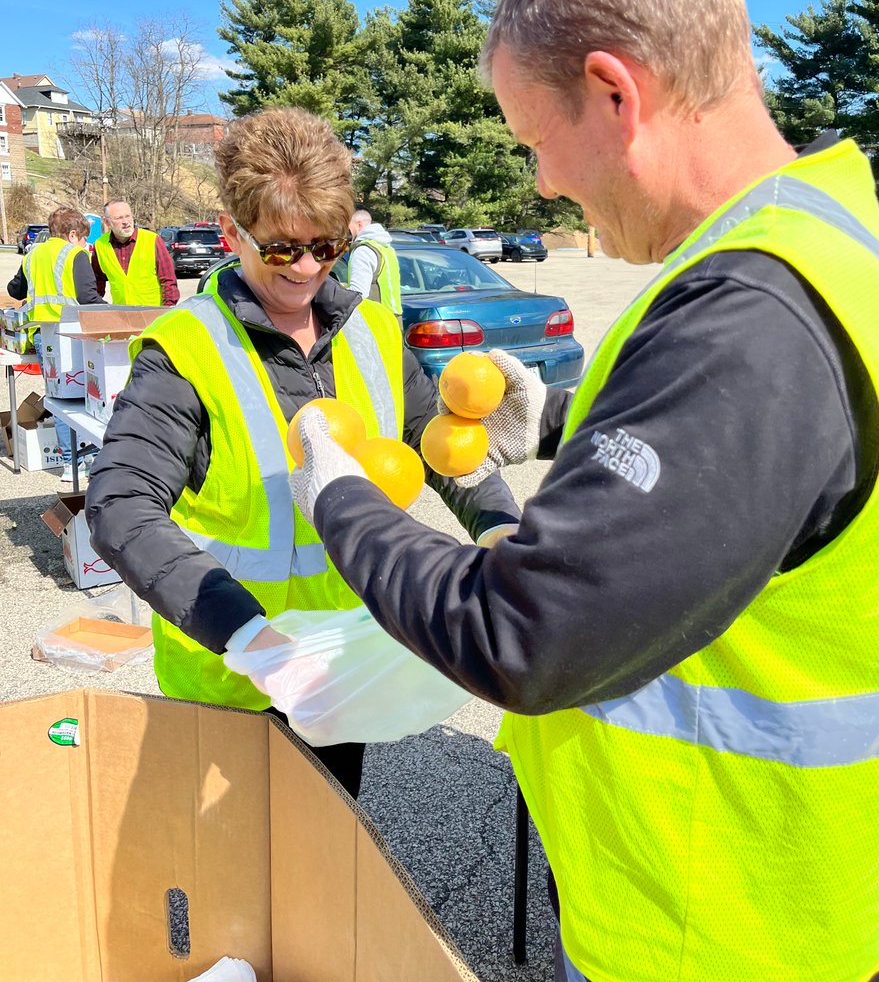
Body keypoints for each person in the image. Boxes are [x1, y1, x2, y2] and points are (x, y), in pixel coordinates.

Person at [285, 0, 879, 982]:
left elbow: (526, 632)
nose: (542, 186)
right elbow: (763, 481)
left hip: (715, 924)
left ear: (618, 94)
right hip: (796, 893)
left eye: (535, 142)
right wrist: (564, 422)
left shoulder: (750, 311)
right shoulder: (828, 245)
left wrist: (341, 499)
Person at [85, 107, 520, 799]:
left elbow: (435, 445)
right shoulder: (187, 349)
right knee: (237, 876)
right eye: (282, 248)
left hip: (337, 665)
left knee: (321, 855)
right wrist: (244, 633)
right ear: (232, 232)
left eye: (326, 247)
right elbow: (121, 506)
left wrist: (500, 527)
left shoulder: (373, 331)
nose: (307, 268)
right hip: (232, 674)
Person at [7, 205, 105, 482]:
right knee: (85, 398)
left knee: (59, 398)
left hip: (43, 335)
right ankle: (88, 459)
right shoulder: (74, 254)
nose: (86, 243)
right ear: (73, 234)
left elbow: (15, 290)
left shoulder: (33, 254)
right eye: (84, 237)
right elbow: (88, 297)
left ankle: (69, 464)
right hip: (72, 335)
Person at [92, 199, 178, 307]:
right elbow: (97, 282)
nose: (126, 221)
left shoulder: (152, 240)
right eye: (119, 218)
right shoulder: (100, 245)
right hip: (122, 315)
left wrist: (166, 311)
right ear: (107, 222)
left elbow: (169, 281)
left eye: (128, 216)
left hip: (153, 314)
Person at [346, 209, 403, 320]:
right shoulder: (385, 248)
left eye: (349, 227)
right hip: (393, 318)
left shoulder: (363, 250)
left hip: (374, 319)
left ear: (359, 224)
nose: (348, 232)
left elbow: (358, 294)